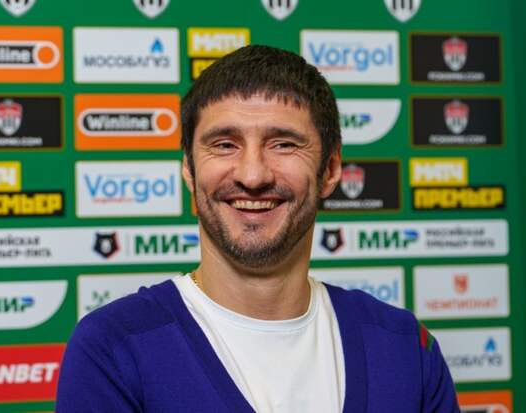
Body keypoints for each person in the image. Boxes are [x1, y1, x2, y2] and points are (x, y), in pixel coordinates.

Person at [56, 45, 460, 413]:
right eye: (224, 144)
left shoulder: (406, 348)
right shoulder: (114, 348)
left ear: (331, 169)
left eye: (283, 144)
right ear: (188, 169)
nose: (252, 175)